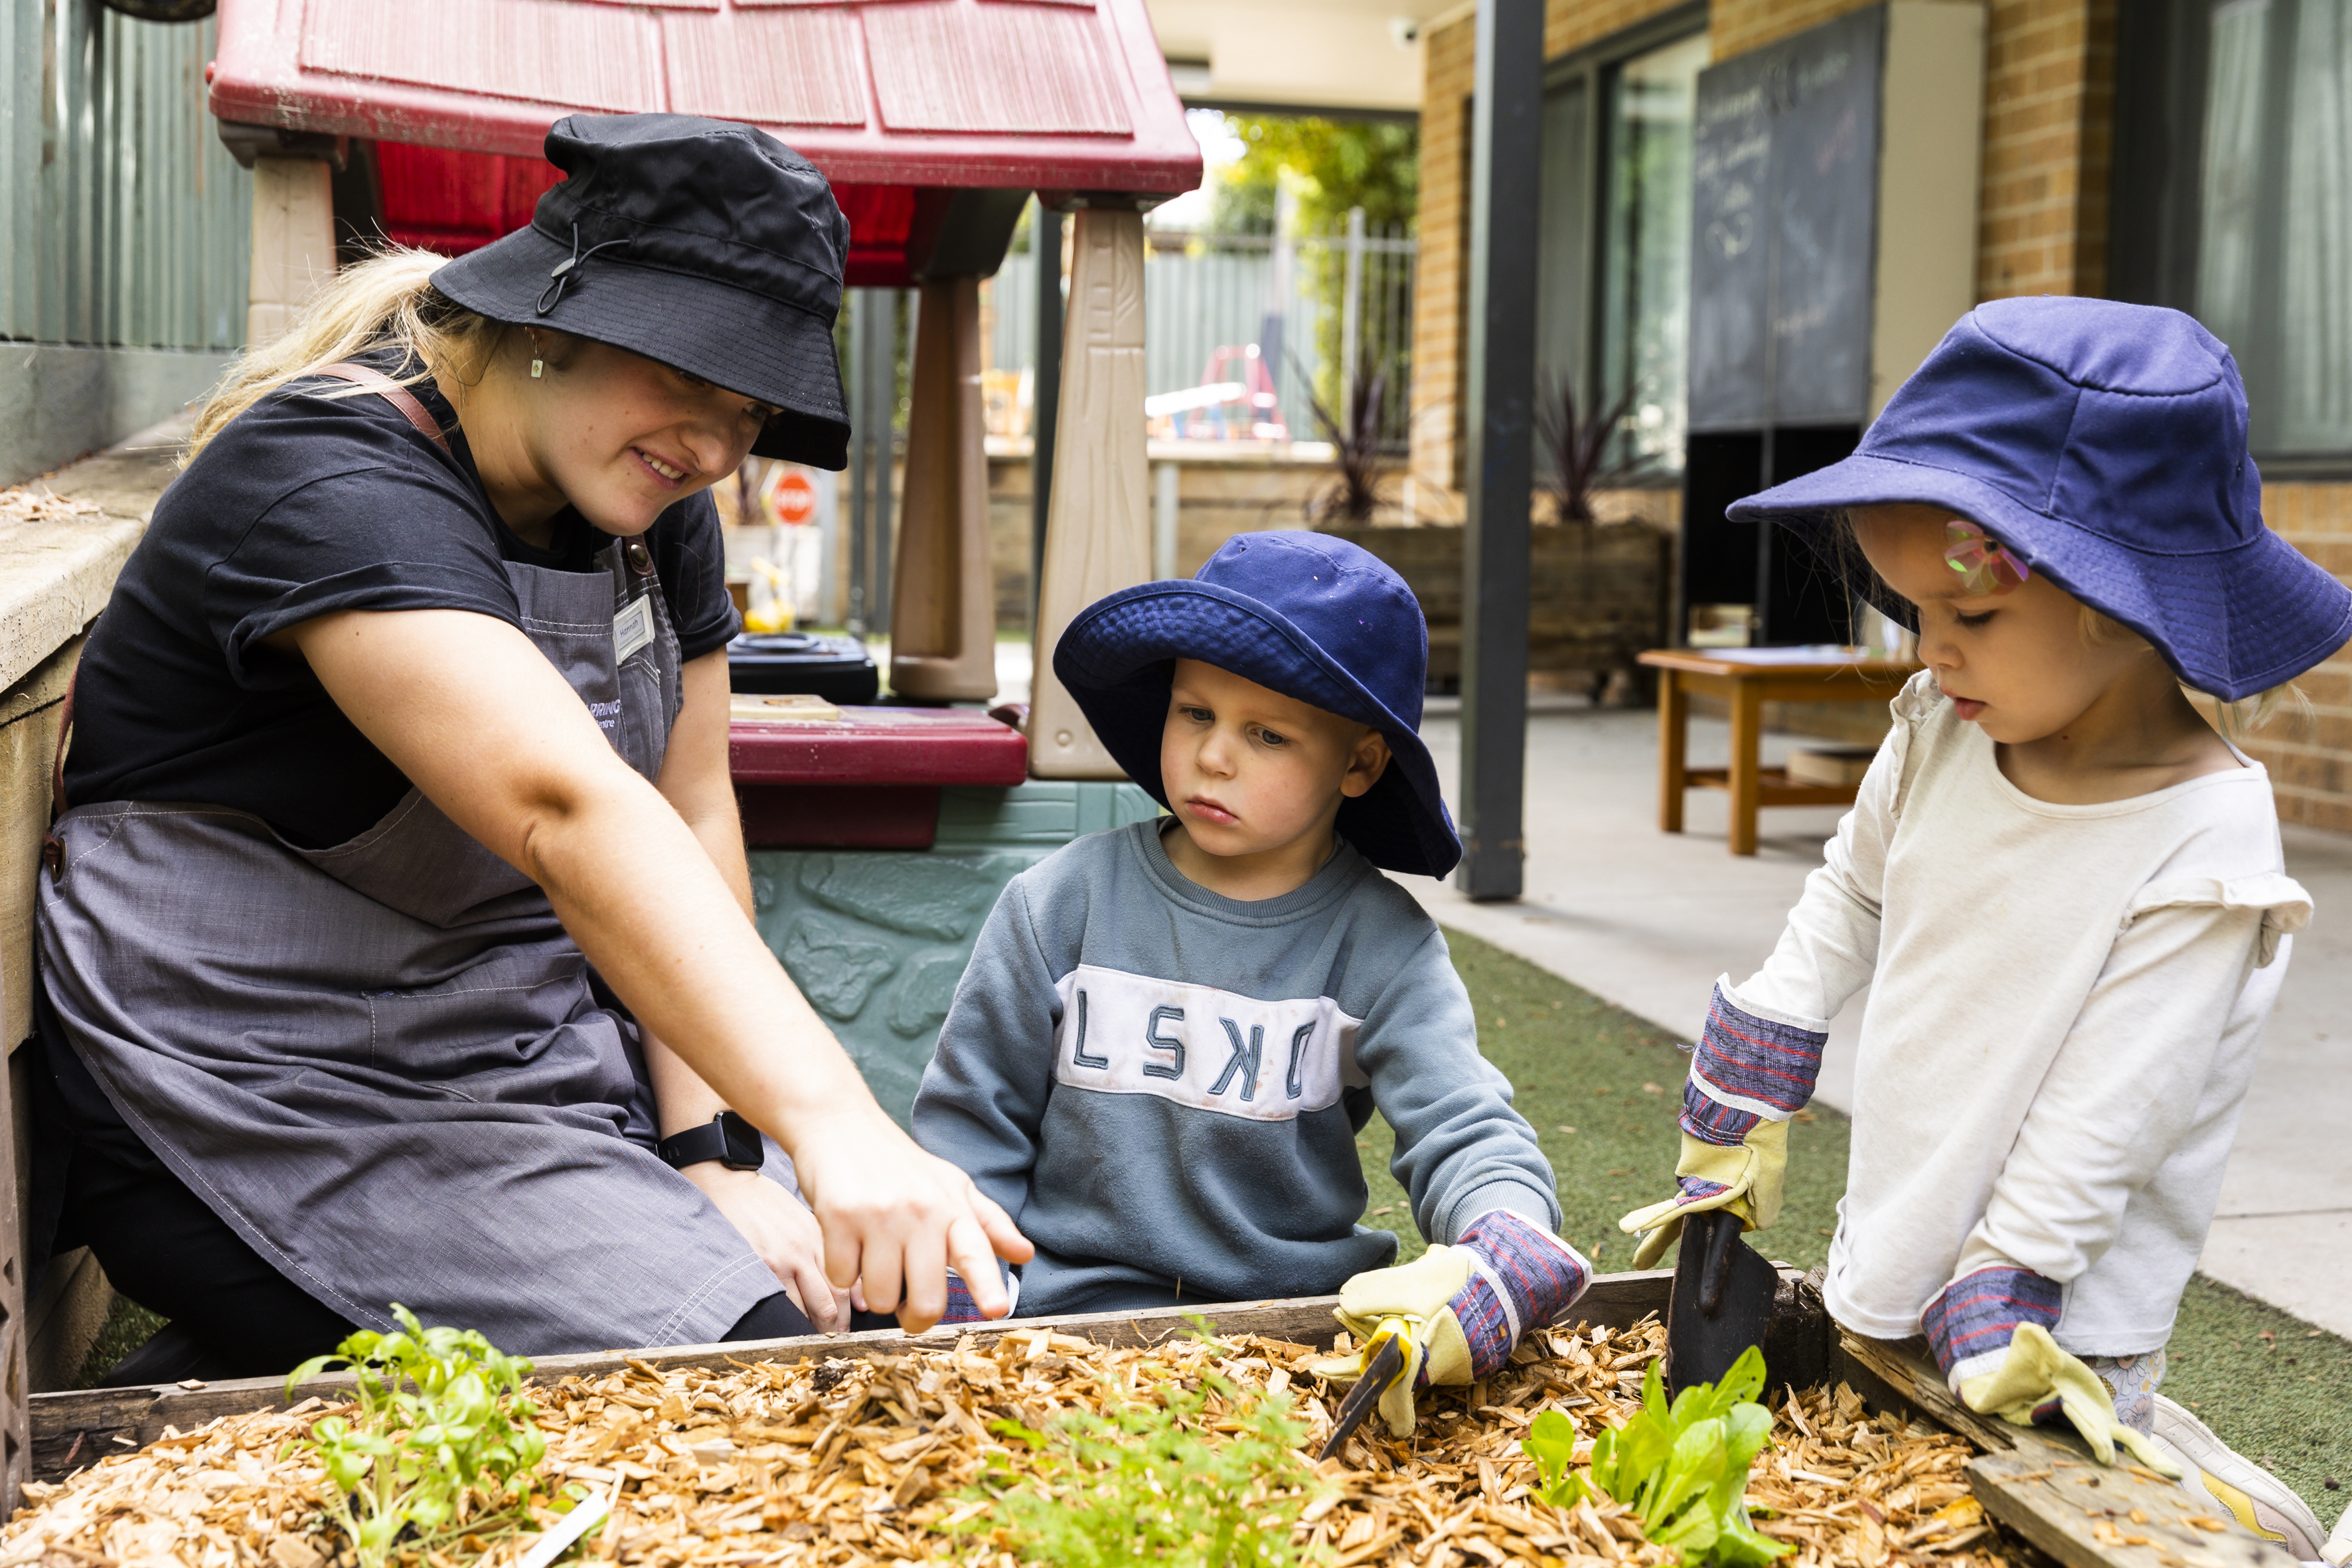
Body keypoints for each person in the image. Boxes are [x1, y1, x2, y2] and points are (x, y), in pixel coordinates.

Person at [33, 112, 1026, 1382]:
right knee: (772, 1373)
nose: (717, 449)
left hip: (515, 1077)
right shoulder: (326, 479)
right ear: (552, 320)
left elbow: (690, 811)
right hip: (251, 1103)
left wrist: (715, 1150)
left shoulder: (647, 508)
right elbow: (569, 811)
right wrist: (836, 1123)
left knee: (877, 1307)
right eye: (688, 381)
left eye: (753, 409)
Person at [1617, 298, 2347, 1559]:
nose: (1932, 652)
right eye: (1912, 615)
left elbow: (2116, 1106)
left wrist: (2009, 1282)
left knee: (2025, 1525)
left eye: (1973, 619)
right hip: (1904, 1225)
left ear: (2118, 603)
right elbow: (1850, 894)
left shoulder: (2205, 837)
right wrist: (1762, 1044)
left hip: (2054, 1316)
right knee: (1884, 1493)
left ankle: (2219, 1500)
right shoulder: (1941, 728)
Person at [909, 532, 1591, 1435]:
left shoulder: (1380, 943)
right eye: (1195, 712)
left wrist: (1502, 1233)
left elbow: (1464, 1125)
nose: (1213, 755)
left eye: (1266, 732)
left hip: (1295, 1339)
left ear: (1359, 764)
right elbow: (970, 1129)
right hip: (1061, 1332)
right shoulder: (1058, 904)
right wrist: (971, 1302)